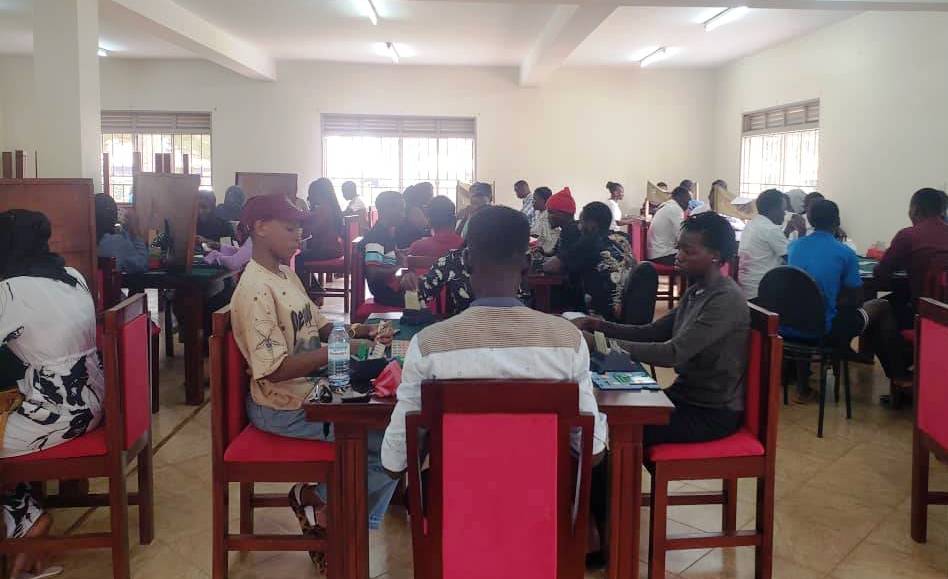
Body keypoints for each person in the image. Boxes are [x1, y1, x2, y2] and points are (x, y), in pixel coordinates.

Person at [381, 203, 607, 482]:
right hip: (541, 504)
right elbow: (592, 449)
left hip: (454, 504)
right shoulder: (568, 342)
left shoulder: (428, 346)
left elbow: (394, 462)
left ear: (466, 259)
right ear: (526, 263)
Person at [229, 195, 396, 568]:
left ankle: (328, 508)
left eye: (300, 228)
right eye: (290, 228)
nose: (299, 236)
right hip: (282, 405)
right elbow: (273, 369)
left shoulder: (286, 275)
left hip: (312, 393)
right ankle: (324, 505)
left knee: (394, 431)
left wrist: (362, 331)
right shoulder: (255, 290)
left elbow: (320, 326)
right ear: (260, 227)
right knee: (394, 444)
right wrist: (337, 350)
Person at [573, 212, 749, 446]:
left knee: (611, 428)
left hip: (710, 412)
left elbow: (673, 353)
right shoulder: (698, 291)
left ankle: (614, 469)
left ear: (715, 256)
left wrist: (599, 344)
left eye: (688, 251)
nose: (679, 256)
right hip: (684, 396)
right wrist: (597, 326)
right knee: (603, 410)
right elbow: (652, 332)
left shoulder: (724, 300)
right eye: (679, 248)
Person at [1, 210, 106, 578]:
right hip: (93, 404)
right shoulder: (73, 276)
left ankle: (25, 521)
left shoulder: (11, 291)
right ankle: (24, 520)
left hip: (55, 415)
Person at [788, 200, 912, 402]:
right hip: (827, 328)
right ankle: (897, 375)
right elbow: (856, 298)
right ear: (837, 221)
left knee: (815, 311)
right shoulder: (845, 253)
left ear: (809, 219)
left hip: (793, 324)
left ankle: (803, 389)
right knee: (881, 306)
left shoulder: (794, 246)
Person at [544, 201, 635, 320]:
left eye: (581, 222)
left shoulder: (589, 242)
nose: (579, 227)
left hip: (598, 319)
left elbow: (550, 267)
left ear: (592, 224)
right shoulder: (623, 239)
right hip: (627, 312)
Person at [874, 187, 948, 328]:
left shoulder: (908, 235)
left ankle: (895, 343)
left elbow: (881, 273)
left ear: (915, 210)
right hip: (943, 313)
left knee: (879, 307)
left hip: (923, 314)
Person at [737, 189, 789, 300]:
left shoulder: (752, 223)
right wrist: (802, 233)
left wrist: (787, 232)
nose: (784, 213)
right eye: (783, 209)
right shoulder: (771, 229)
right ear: (773, 210)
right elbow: (791, 259)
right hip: (761, 291)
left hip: (745, 288)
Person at [362, 191, 406, 307]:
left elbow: (388, 257)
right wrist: (400, 266)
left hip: (392, 287)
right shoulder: (376, 236)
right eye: (401, 210)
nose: (403, 215)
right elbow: (373, 273)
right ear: (386, 210)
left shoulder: (387, 232)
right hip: (387, 293)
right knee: (429, 294)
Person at [95, 193, 148, 274]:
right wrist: (134, 231)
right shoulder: (117, 242)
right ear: (114, 216)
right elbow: (142, 264)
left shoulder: (85, 242)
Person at [300, 178, 344, 262]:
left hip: (326, 250)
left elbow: (309, 231)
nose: (309, 198)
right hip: (336, 249)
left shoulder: (322, 209)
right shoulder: (332, 207)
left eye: (310, 194)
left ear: (318, 194)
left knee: (296, 258)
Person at [647, 185, 691, 264]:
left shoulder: (667, 206)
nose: (688, 205)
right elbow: (681, 236)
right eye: (688, 201)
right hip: (663, 255)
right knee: (695, 259)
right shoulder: (675, 209)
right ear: (683, 199)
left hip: (656, 253)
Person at [396, 182, 434, 248]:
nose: (432, 197)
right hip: (409, 243)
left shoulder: (414, 207)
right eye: (430, 195)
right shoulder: (414, 210)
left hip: (409, 241)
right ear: (423, 195)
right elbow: (428, 225)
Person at [531, 186, 559, 254]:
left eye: (535, 199)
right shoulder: (539, 213)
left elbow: (536, 233)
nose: (532, 201)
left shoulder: (548, 216)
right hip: (541, 248)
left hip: (548, 252)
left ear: (542, 200)